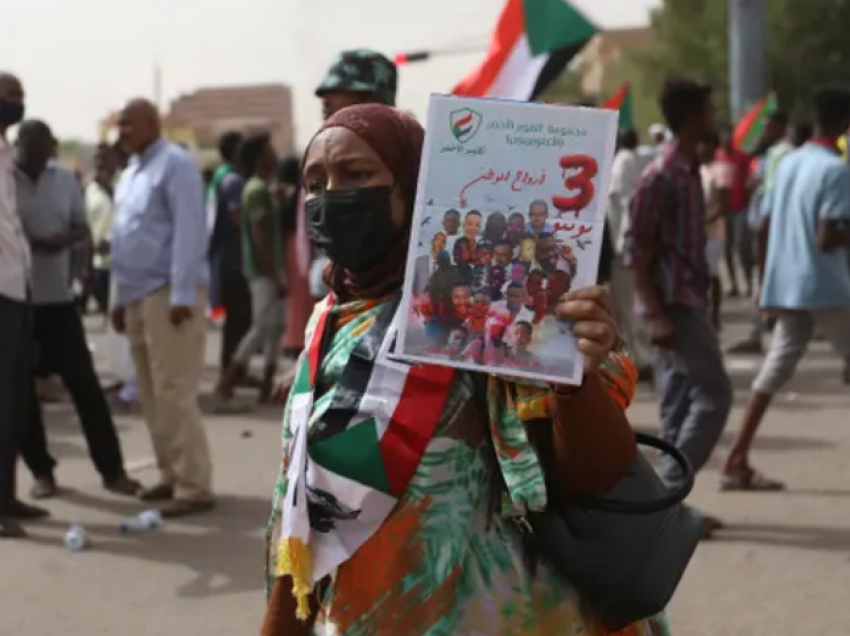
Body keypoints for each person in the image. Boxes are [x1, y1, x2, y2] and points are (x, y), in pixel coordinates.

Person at [260, 103, 668, 636]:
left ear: (413, 187)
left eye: (357, 175)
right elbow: (304, 521)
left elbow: (594, 472)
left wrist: (576, 379)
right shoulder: (325, 323)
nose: (330, 196)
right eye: (316, 182)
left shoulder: (481, 312)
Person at [720, 87, 850, 491]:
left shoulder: (788, 161)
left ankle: (737, 457)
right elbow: (828, 237)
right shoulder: (836, 169)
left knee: (774, 369)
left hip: (788, 282)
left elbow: (764, 224)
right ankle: (737, 459)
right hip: (824, 284)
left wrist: (764, 283)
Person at [625, 78, 733, 537]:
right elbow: (637, 250)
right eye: (709, 109)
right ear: (693, 116)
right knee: (715, 393)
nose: (714, 116)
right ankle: (668, 496)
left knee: (677, 404)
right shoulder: (662, 174)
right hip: (673, 305)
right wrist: (655, 313)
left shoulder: (688, 170)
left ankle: (665, 508)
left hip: (688, 298)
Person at [15, 120, 141, 500]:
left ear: (50, 149)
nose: (36, 158)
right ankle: (42, 472)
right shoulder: (5, 179)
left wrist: (59, 241)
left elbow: (81, 229)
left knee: (86, 389)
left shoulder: (65, 182)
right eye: (29, 151)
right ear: (19, 148)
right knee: (22, 396)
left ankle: (112, 470)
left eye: (42, 151)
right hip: (18, 301)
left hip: (58, 299)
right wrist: (26, 241)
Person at [111, 98, 214, 517]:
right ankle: (170, 474)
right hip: (136, 294)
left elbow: (190, 230)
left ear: (153, 124)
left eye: (129, 124)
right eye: (119, 125)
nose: (122, 132)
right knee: (150, 393)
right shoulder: (130, 173)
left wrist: (183, 295)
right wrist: (118, 299)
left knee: (174, 390)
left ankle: (194, 485)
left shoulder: (176, 164)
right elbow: (123, 237)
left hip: (168, 293)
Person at [727, 118, 812, 355]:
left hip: (773, 220)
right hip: (773, 219)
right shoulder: (776, 153)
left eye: (767, 127)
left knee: (766, 276)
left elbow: (775, 190)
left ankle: (764, 331)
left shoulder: (784, 153)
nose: (763, 132)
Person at [0, 72, 43, 538]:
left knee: (12, 403)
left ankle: (6, 495)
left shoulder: (6, 152)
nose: (18, 104)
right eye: (10, 98)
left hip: (14, 287)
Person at [215, 131, 286, 406]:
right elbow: (258, 235)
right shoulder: (255, 189)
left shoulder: (262, 189)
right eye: (269, 149)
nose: (275, 153)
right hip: (262, 271)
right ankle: (228, 378)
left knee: (274, 327)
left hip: (270, 270)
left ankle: (267, 384)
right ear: (260, 156)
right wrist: (273, 273)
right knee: (261, 327)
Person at [207, 131, 253, 380]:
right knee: (240, 314)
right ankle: (233, 369)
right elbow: (238, 217)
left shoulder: (220, 175)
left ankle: (234, 366)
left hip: (223, 255)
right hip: (233, 257)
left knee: (236, 315)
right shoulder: (233, 181)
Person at [607, 127, 652, 377]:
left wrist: (623, 243)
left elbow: (622, 202)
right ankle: (636, 357)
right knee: (629, 305)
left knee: (627, 306)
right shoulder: (635, 160)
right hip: (628, 244)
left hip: (622, 246)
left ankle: (638, 360)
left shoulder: (623, 162)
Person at [699, 132, 732, 331]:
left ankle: (715, 315)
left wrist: (704, 220)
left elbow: (723, 204)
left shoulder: (720, 170)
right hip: (696, 232)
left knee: (712, 274)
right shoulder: (696, 168)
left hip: (713, 232)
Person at [85, 143, 119, 315]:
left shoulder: (125, 185)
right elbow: (84, 229)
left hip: (126, 265)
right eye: (98, 158)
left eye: (106, 158)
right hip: (100, 264)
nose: (102, 162)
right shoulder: (88, 192)